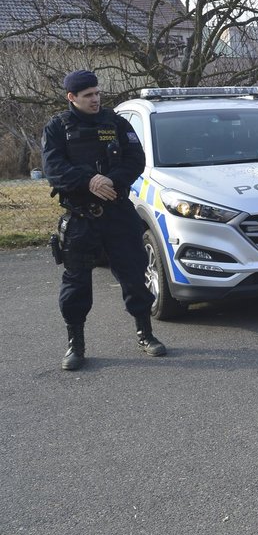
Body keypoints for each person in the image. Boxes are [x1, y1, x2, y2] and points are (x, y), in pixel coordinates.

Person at [42, 70, 166, 371]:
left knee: (135, 274)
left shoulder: (116, 123)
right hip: (81, 217)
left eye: (97, 93)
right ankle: (76, 345)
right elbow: (53, 168)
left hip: (118, 213)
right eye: (88, 95)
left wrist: (109, 180)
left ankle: (145, 333)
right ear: (72, 97)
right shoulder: (58, 127)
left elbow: (136, 159)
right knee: (76, 284)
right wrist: (89, 181)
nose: (95, 99)